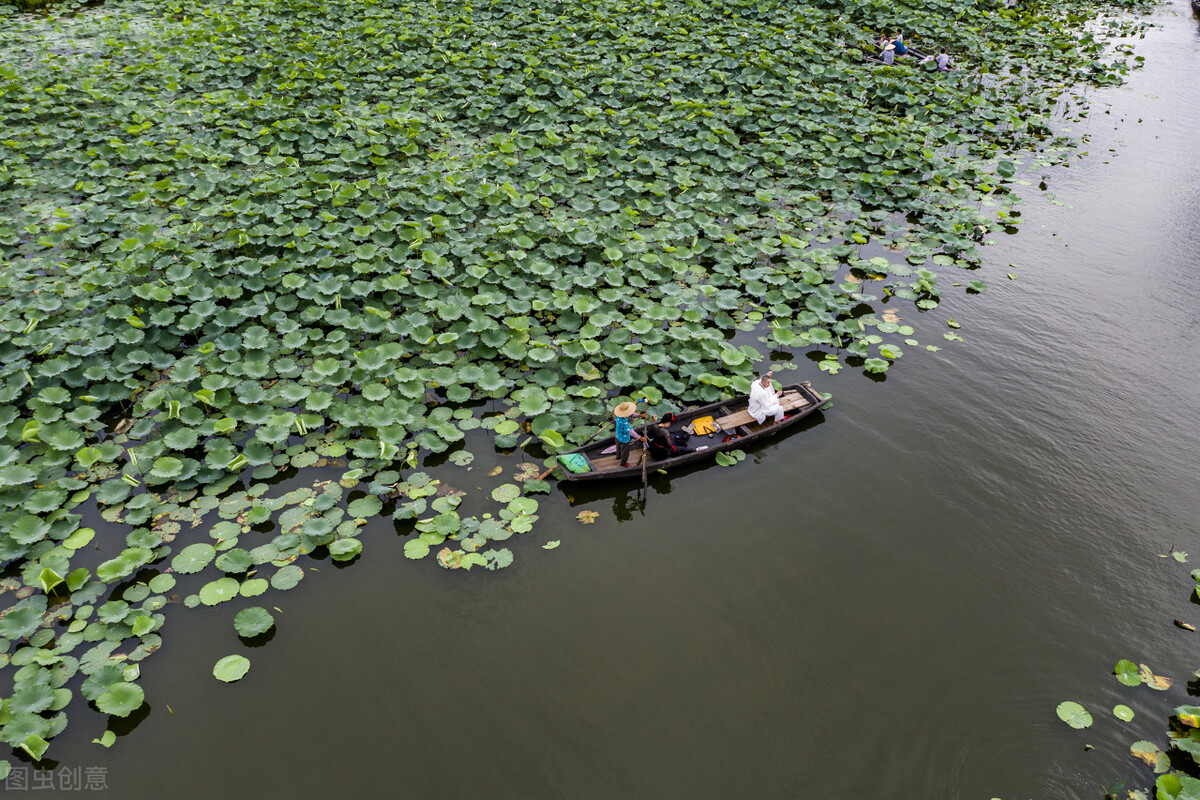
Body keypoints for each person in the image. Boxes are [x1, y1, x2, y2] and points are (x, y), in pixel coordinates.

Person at [613, 401, 645, 468]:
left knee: (618, 446)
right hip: (624, 438)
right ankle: (623, 463)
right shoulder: (623, 422)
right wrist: (639, 437)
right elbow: (630, 431)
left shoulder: (617, 415)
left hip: (618, 435)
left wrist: (639, 415)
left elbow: (631, 414)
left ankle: (618, 456)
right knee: (625, 451)